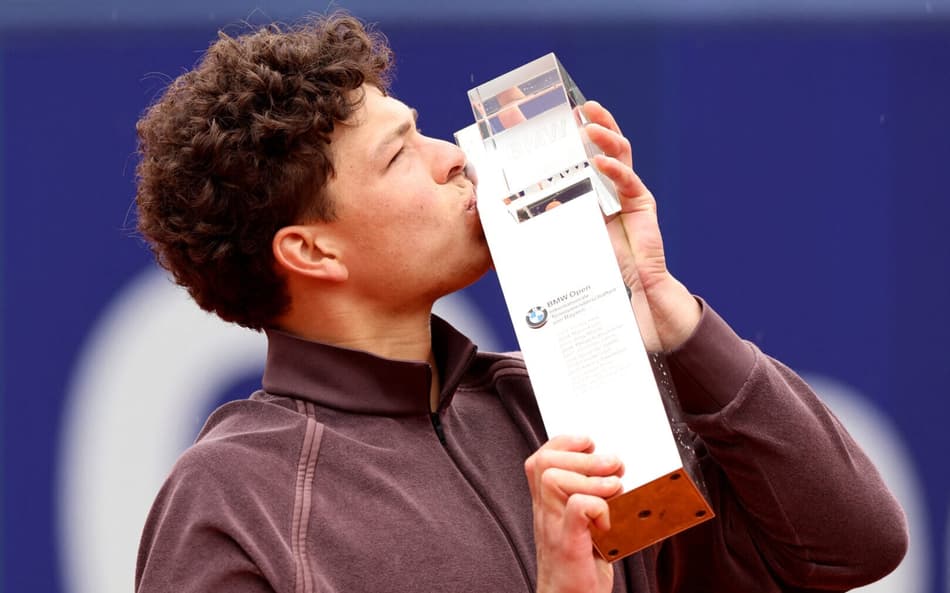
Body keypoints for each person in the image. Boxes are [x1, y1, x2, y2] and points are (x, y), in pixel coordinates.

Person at [133, 13, 907, 593]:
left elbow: (852, 545)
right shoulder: (236, 497)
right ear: (312, 251)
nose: (453, 157)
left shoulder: (555, 406)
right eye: (400, 154)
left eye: (422, 131)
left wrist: (662, 304)